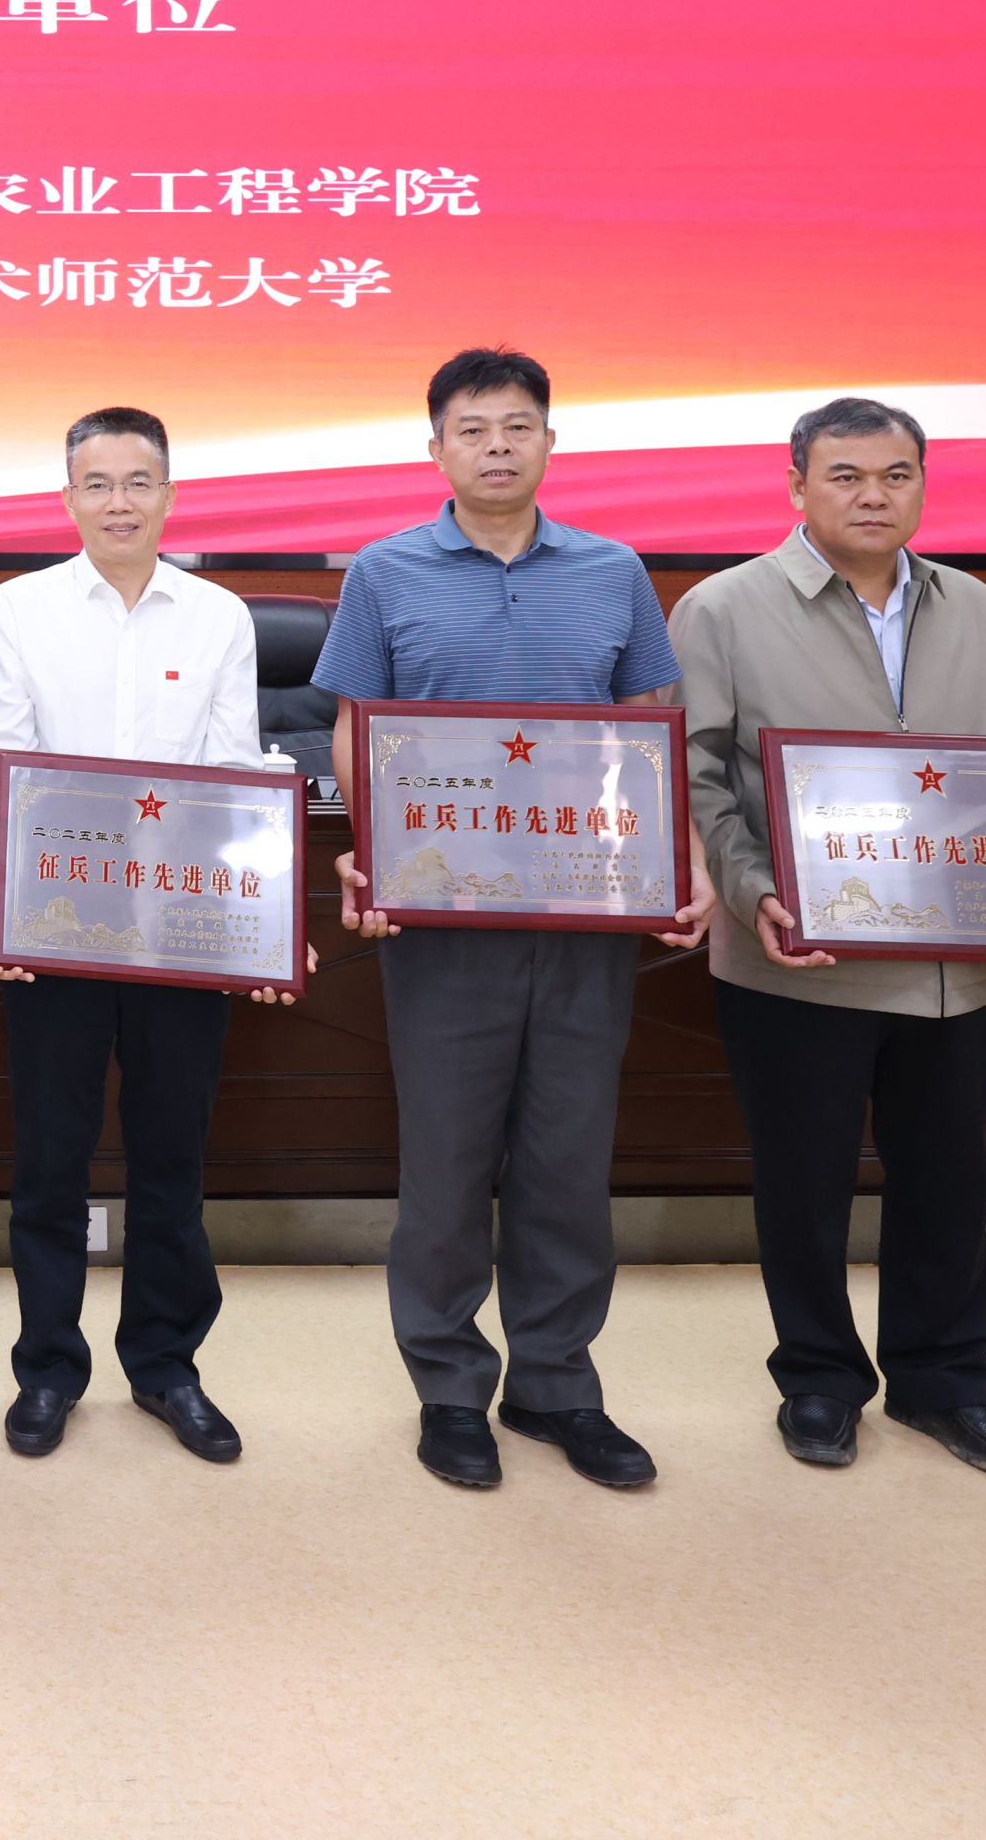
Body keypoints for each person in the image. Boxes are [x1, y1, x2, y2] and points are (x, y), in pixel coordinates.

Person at [672, 396, 986, 1484]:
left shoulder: (979, 608)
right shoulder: (723, 608)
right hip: (793, 958)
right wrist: (753, 890)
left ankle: (946, 1381)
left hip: (953, 966)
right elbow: (697, 777)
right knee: (803, 1185)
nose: (874, 496)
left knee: (947, 1181)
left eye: (896, 475)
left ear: (922, 484)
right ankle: (818, 1379)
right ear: (797, 486)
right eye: (847, 475)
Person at [316, 348, 715, 1494]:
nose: (496, 446)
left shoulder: (611, 570)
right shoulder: (385, 572)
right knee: (445, 1161)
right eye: (473, 428)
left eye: (517, 426)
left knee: (565, 1156)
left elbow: (648, 720)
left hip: (583, 910)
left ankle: (555, 1384)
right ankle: (449, 1388)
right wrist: (375, 851)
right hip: (441, 916)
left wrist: (680, 858)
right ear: (435, 448)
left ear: (549, 441)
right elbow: (356, 725)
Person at [0, 406, 280, 1466]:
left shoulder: (218, 616)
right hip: (53, 925)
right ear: (68, 499)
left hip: (181, 928)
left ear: (169, 495)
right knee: (50, 1159)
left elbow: (236, 776)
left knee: (170, 1158)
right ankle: (48, 1369)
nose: (118, 503)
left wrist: (252, 920)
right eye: (96, 484)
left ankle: (166, 1365)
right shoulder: (18, 608)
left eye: (138, 482)